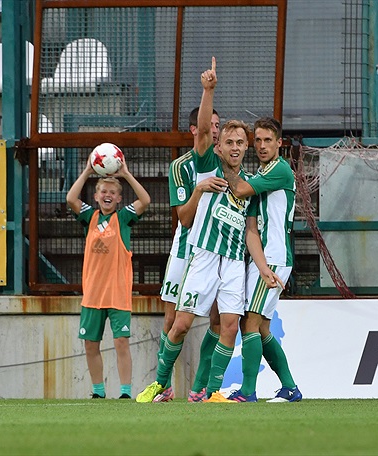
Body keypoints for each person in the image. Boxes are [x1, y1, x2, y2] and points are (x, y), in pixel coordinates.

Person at [136, 58, 280, 403]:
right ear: (219, 146)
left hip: (232, 263)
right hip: (202, 257)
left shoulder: (250, 184)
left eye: (239, 143)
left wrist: (262, 269)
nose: (234, 147)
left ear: (246, 147)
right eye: (228, 142)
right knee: (182, 323)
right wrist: (208, 90)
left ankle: (209, 391)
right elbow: (202, 130)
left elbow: (251, 231)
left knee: (229, 325)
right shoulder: (206, 165)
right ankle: (161, 383)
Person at [219, 117, 301, 403]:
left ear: (279, 143)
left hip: (276, 257)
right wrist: (260, 265)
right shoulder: (259, 175)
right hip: (264, 261)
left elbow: (239, 189)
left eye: (269, 140)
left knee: (250, 324)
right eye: (259, 140)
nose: (263, 145)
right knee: (261, 327)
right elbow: (251, 230)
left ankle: (248, 391)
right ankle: (290, 388)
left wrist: (225, 161)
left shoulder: (280, 171)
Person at [151, 107, 226, 403]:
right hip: (185, 248)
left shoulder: (226, 163)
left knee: (219, 319)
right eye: (211, 125)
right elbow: (184, 218)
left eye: (219, 125)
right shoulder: (181, 166)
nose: (216, 130)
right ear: (195, 129)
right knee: (172, 320)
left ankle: (200, 388)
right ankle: (163, 386)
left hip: (218, 250)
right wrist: (199, 190)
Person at [66, 155, 151, 399]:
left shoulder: (123, 218)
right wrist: (86, 172)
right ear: (96, 196)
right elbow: (71, 198)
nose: (107, 195)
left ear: (119, 198)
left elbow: (145, 200)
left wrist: (125, 174)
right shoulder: (89, 217)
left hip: (118, 294)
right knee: (91, 344)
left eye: (112, 192)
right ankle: (98, 391)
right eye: (103, 191)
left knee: (121, 342)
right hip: (92, 294)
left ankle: (125, 392)